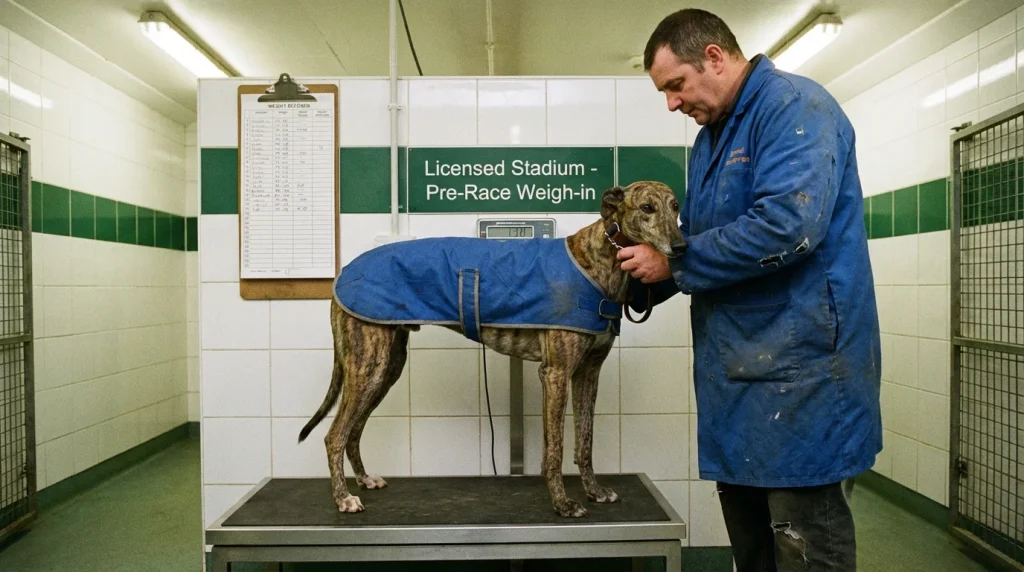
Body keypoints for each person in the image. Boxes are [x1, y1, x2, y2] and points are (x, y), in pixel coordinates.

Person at [617, 8, 882, 572]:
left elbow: (790, 225)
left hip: (802, 376)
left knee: (806, 548)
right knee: (755, 551)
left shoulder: (795, 107)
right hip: (736, 380)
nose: (671, 103)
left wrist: (672, 269)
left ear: (714, 56)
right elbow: (702, 245)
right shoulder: (710, 139)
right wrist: (633, 280)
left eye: (675, 86)